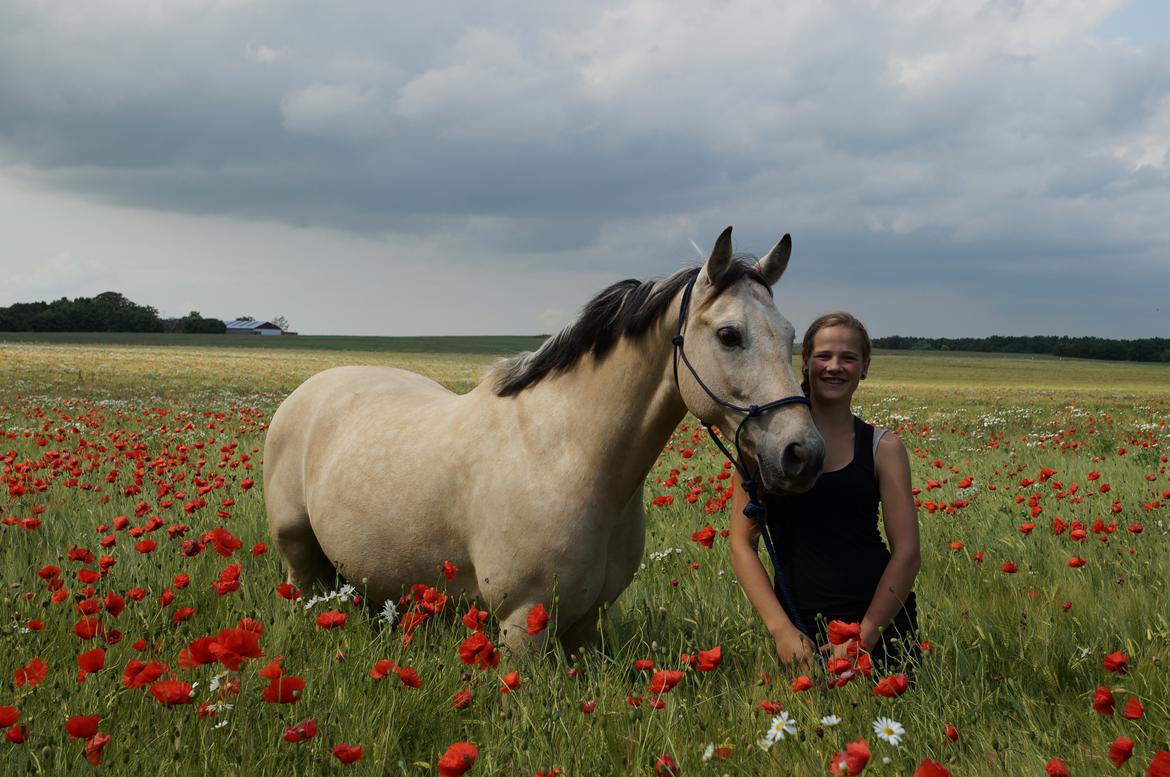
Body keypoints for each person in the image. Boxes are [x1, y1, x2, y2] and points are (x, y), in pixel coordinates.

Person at [729, 311, 920, 670]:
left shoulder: (884, 448)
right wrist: (781, 630)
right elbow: (742, 544)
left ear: (864, 367)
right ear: (805, 363)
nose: (835, 366)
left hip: (879, 625)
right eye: (824, 356)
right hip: (799, 632)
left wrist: (864, 637)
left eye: (848, 358)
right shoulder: (762, 447)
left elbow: (907, 553)